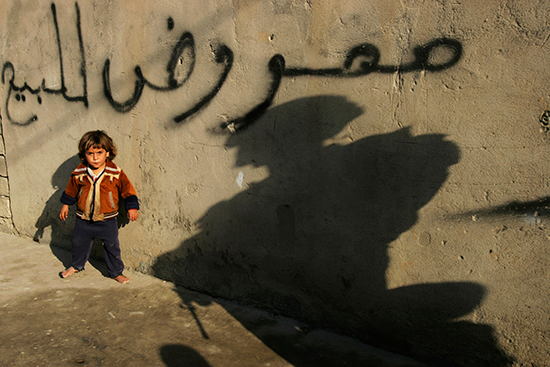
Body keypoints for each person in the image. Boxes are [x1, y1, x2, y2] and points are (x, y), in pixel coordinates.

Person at [59, 130, 139, 284]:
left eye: (99, 152)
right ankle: (76, 265)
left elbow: (128, 190)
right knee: (78, 243)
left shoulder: (115, 173)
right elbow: (71, 190)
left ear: (108, 153)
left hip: (107, 220)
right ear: (84, 154)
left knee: (112, 246)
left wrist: (132, 207)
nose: (95, 157)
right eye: (90, 153)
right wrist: (66, 205)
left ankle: (116, 272)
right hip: (83, 219)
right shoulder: (79, 173)